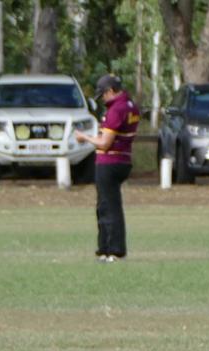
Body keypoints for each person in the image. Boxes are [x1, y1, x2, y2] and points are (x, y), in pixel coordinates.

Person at [75, 73, 140, 262]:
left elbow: (104, 143)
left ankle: (114, 250)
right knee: (107, 205)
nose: (102, 98)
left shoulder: (116, 110)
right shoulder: (130, 106)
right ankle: (104, 248)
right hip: (124, 160)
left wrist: (85, 137)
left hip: (110, 162)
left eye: (103, 94)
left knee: (108, 207)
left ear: (111, 91)